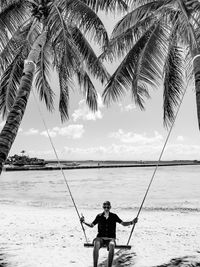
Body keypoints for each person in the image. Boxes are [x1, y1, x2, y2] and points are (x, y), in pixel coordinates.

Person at [80, 200, 138, 267]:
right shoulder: (99, 216)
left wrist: (132, 222)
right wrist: (84, 222)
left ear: (110, 207)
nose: (106, 209)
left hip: (110, 239)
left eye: (108, 207)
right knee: (96, 243)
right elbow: (91, 225)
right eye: (105, 207)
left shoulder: (114, 216)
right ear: (103, 207)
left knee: (112, 245)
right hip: (100, 238)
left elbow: (123, 223)